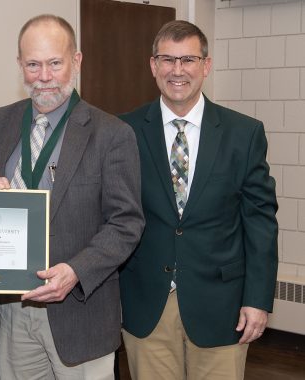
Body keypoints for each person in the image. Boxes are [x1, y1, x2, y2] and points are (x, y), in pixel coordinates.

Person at [0, 14, 144, 379]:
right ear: (20, 66)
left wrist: (76, 272)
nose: (43, 76)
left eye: (54, 63)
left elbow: (126, 223)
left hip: (81, 310)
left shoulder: (112, 134)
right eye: (33, 64)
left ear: (76, 62)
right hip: (15, 310)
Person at [119, 20, 278, 380]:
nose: (178, 70)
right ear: (153, 66)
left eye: (188, 59)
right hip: (147, 308)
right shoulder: (123, 131)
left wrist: (257, 299)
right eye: (167, 59)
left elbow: (260, 223)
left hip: (222, 308)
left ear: (206, 66)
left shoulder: (244, 133)